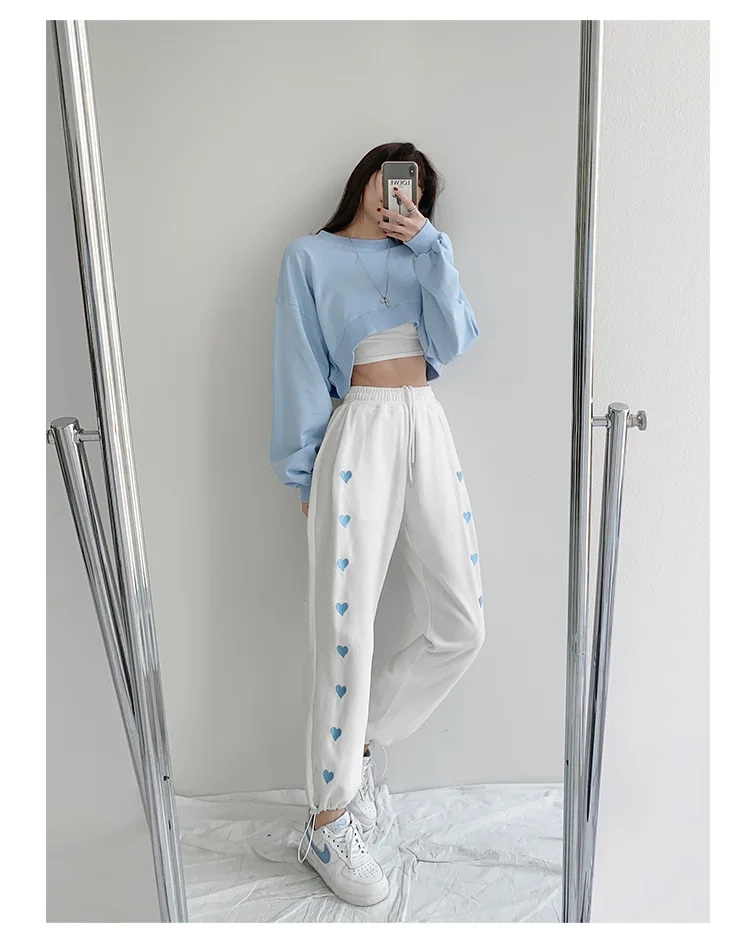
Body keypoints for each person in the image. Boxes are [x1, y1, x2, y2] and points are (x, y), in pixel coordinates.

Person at [270, 143, 485, 907]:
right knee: (344, 629)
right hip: (357, 429)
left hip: (426, 423)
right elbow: (298, 363)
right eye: (392, 176)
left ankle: (358, 742)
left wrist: (430, 246)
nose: (399, 192)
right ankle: (328, 818)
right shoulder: (309, 256)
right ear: (365, 178)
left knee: (463, 624)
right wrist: (303, 468)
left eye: (415, 186)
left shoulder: (426, 253)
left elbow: (453, 343)